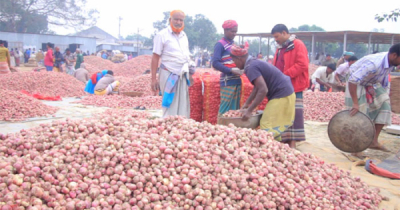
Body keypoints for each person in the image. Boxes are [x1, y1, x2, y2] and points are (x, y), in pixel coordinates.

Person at [229, 45, 295, 141]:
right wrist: (247, 104)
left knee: (266, 124)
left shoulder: (250, 67)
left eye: (233, 60)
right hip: (286, 92)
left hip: (281, 94)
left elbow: (263, 90)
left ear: (239, 58)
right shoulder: (253, 63)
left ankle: (271, 147)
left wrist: (249, 110)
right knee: (274, 124)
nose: (234, 64)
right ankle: (277, 146)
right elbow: (257, 87)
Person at [346, 43, 400, 153]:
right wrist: (355, 103)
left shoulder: (390, 63)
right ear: (394, 55)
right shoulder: (374, 63)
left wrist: (382, 94)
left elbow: (384, 79)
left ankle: (373, 141)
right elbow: (353, 80)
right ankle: (355, 146)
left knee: (385, 104)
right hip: (356, 81)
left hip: (371, 82)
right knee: (360, 111)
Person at [271, 24, 309, 148]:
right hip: (281, 86)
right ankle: (284, 140)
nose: (276, 39)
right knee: (283, 113)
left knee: (294, 113)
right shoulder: (279, 48)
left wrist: (285, 75)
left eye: (277, 36)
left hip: (294, 84)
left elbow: (302, 64)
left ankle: (293, 142)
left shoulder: (297, 44)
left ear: (284, 33)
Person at [151, 10, 193, 118]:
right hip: (168, 73)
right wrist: (153, 79)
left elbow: (186, 55)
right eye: (176, 19)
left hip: (182, 74)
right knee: (170, 103)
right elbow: (155, 57)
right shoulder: (162, 35)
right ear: (170, 20)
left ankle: (182, 125)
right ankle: (168, 125)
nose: (178, 22)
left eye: (181, 20)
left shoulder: (184, 36)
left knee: (183, 103)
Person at [211, 20, 243, 115]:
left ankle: (232, 128)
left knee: (234, 110)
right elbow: (215, 63)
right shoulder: (220, 44)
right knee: (225, 109)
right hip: (227, 81)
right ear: (225, 30)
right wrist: (231, 70)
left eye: (235, 31)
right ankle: (220, 127)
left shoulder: (233, 44)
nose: (234, 33)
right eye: (232, 31)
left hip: (236, 80)